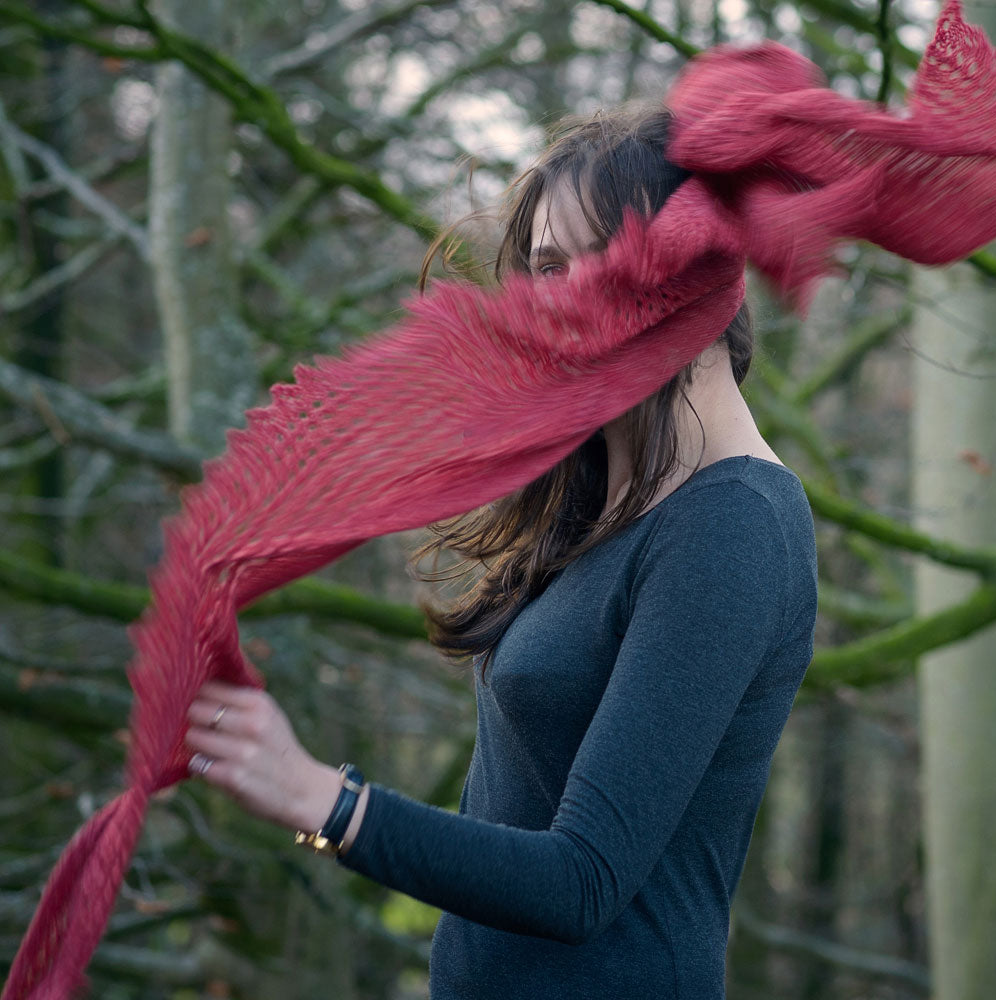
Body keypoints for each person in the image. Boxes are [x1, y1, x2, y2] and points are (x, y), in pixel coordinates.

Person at [184, 108, 818, 999]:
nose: (567, 296)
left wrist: (328, 803)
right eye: (549, 266)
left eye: (608, 255)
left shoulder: (732, 526)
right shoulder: (606, 497)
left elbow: (581, 882)